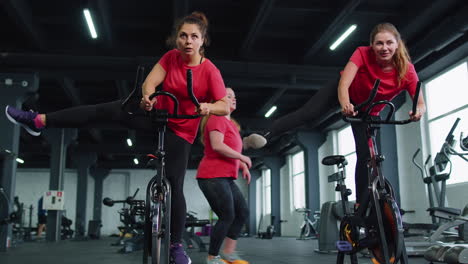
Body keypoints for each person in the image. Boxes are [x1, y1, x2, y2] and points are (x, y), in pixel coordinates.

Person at [5, 11, 229, 264]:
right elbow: (150, 83)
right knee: (108, 109)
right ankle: (38, 121)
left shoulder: (210, 70)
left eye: (194, 37)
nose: (188, 41)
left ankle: (176, 247)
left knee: (175, 186)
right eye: (183, 36)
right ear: (177, 39)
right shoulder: (170, 58)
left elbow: (224, 105)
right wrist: (146, 97)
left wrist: (209, 108)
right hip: (158, 115)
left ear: (202, 41)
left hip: (182, 131)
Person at [245, 23, 426, 204]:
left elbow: (420, 102)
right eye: (379, 43)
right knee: (309, 113)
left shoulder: (407, 69)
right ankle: (265, 135)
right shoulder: (362, 53)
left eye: (389, 43)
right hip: (344, 94)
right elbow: (344, 83)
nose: (384, 48)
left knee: (366, 157)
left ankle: (360, 204)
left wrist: (417, 112)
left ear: (397, 44)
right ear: (372, 45)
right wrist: (345, 103)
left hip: (369, 111)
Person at [196, 87, 251, 264]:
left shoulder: (232, 125)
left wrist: (242, 165)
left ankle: (228, 253)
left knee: (242, 212)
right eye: (228, 96)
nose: (233, 99)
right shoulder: (216, 118)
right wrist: (242, 157)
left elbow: (232, 148)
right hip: (212, 175)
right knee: (227, 215)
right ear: (217, 102)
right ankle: (212, 257)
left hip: (226, 177)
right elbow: (217, 145)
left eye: (234, 96)